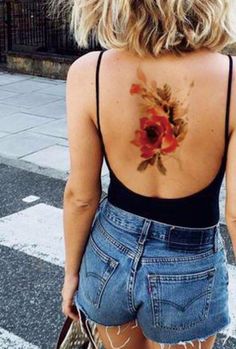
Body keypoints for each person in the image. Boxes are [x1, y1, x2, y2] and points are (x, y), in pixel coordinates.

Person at [61, 1, 236, 348]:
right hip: (189, 270)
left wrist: (71, 275)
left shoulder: (88, 72)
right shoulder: (232, 79)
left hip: (107, 258)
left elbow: (80, 196)